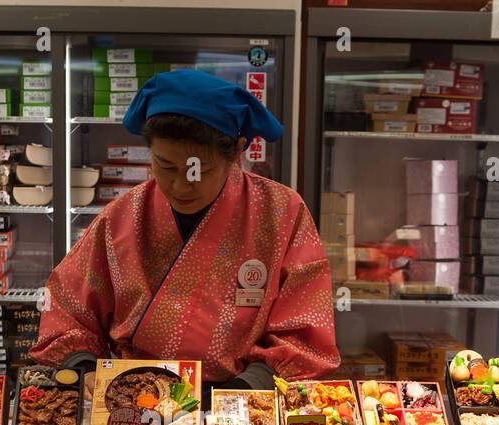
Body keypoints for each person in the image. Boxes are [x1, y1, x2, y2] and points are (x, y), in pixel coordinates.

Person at [30, 69, 339, 391]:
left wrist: (244, 389)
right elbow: (69, 307)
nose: (181, 186)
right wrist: (84, 365)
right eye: (166, 167)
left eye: (200, 170)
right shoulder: (122, 216)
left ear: (236, 152)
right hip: (132, 397)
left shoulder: (281, 213)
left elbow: (305, 327)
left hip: (242, 400)